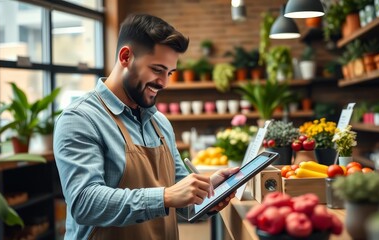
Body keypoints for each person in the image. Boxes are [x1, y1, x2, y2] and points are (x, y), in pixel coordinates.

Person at [54, 13, 240, 240]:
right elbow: (84, 203)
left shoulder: (159, 122)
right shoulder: (81, 118)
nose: (164, 82)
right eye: (157, 69)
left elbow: (179, 197)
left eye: (170, 73)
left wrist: (208, 192)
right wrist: (165, 197)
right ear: (125, 57)